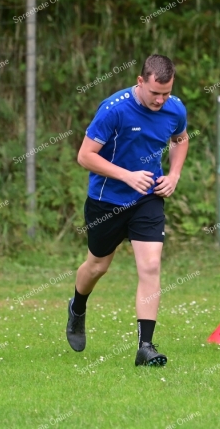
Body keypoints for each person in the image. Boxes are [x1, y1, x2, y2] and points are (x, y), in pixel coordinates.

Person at [66, 54, 189, 366]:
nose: (161, 100)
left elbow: (181, 139)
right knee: (97, 267)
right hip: (107, 201)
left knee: (150, 266)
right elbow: (85, 156)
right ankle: (78, 306)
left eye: (166, 93)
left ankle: (145, 346)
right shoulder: (114, 109)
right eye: (155, 93)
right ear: (140, 81)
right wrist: (127, 175)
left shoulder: (174, 108)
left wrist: (173, 175)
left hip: (147, 199)